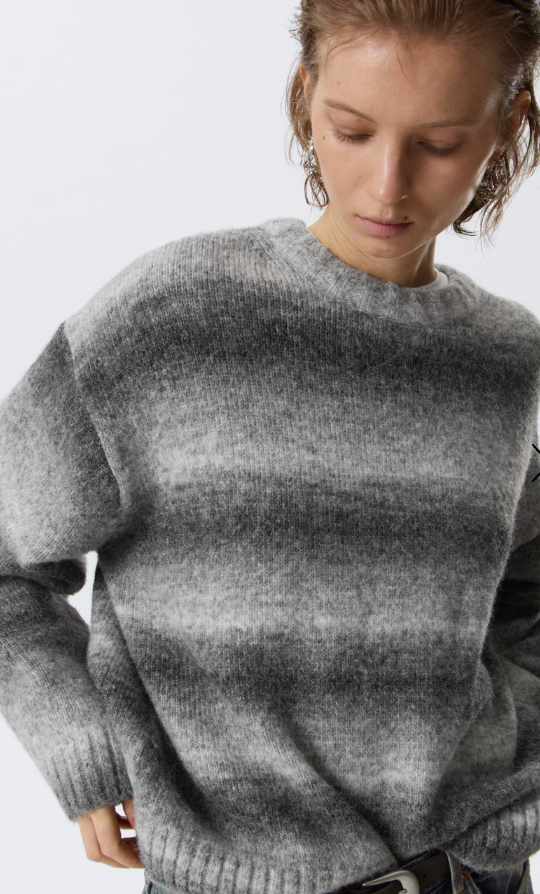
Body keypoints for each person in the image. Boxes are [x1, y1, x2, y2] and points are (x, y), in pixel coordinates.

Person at [1, 1, 540, 894]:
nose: (387, 184)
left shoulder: (510, 361)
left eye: (441, 144)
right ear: (305, 95)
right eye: (352, 131)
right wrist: (77, 740)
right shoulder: (169, 321)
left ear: (509, 125)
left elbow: (528, 597)